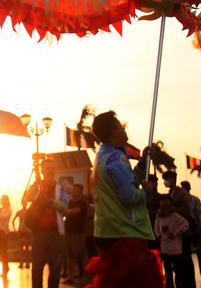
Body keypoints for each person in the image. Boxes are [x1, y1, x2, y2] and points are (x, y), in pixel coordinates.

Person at [86, 111, 163, 288]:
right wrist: (146, 192)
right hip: (124, 232)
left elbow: (129, 179)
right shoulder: (116, 158)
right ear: (114, 132)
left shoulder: (103, 156)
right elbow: (129, 196)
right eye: (119, 125)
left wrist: (143, 161)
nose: (123, 127)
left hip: (107, 231)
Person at [22, 158, 70, 288]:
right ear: (42, 170)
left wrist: (50, 203)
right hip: (38, 232)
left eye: (53, 168)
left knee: (55, 269)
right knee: (37, 268)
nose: (51, 171)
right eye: (48, 168)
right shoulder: (36, 186)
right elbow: (26, 199)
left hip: (56, 233)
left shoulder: (60, 188)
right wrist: (36, 190)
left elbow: (65, 205)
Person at [154, 196, 189, 288]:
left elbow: (185, 224)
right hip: (165, 249)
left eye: (166, 202)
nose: (164, 204)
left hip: (176, 250)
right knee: (168, 271)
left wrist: (175, 232)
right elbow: (156, 226)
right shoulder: (159, 216)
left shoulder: (175, 216)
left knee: (178, 271)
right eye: (162, 202)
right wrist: (158, 235)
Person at [179, 181, 201, 283]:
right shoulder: (183, 201)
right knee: (187, 255)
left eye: (185, 188)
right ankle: (190, 277)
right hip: (185, 230)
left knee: (199, 253)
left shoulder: (195, 200)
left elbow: (199, 216)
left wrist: (200, 229)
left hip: (194, 229)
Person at [63, 183, 89, 286]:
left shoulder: (82, 203)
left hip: (78, 233)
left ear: (80, 192)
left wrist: (64, 211)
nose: (73, 191)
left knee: (81, 255)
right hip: (68, 232)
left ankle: (86, 277)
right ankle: (70, 277)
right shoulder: (69, 202)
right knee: (69, 255)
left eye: (76, 189)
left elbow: (70, 212)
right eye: (73, 189)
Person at [12, 201, 31, 269]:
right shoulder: (28, 211)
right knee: (27, 248)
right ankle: (27, 263)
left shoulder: (19, 212)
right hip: (27, 231)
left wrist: (15, 230)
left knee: (21, 248)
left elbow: (13, 221)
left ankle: (21, 263)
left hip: (21, 230)